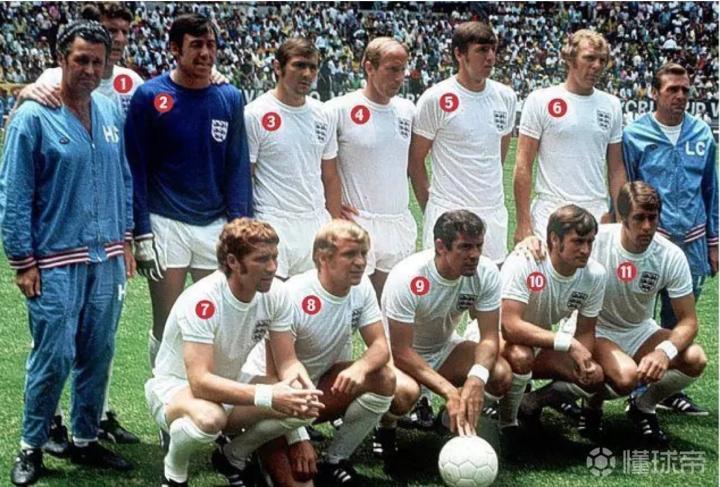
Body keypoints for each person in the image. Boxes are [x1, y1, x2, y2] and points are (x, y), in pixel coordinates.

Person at [0, 20, 135, 486]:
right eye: (81, 60)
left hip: (106, 255)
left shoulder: (109, 108)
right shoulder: (33, 117)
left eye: (98, 61)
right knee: (53, 355)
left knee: (98, 351)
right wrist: (22, 260)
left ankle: (84, 437)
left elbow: (123, 177)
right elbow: (14, 193)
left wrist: (126, 238)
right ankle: (31, 445)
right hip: (54, 258)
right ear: (61, 59)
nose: (90, 70)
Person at [145, 218, 323, 486]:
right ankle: (175, 472)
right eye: (261, 259)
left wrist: (301, 385)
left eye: (274, 257)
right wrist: (268, 395)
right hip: (177, 389)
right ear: (232, 261)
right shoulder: (203, 300)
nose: (272, 267)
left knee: (305, 405)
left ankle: (232, 456)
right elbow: (200, 382)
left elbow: (288, 361)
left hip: (231, 385)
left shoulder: (276, 293)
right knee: (210, 418)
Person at [124, 13, 252, 368]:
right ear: (175, 49)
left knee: (218, 320)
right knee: (167, 324)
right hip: (166, 222)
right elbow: (135, 167)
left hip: (215, 224)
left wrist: (240, 227)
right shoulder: (150, 96)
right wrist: (141, 231)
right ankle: (163, 395)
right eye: (196, 45)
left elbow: (237, 166)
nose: (206, 53)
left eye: (211, 45)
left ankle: (213, 396)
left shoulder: (229, 97)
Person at [243, 220, 395, 486]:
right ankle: (248, 446)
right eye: (350, 254)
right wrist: (298, 438)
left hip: (311, 394)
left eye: (363, 253)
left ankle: (336, 460)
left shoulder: (361, 287)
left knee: (383, 378)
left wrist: (359, 368)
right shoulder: (292, 294)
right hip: (270, 400)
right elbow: (275, 376)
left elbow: (381, 346)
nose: (361, 262)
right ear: (323, 258)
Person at [623, 63, 717, 415]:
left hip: (692, 240)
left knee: (679, 319)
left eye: (685, 90)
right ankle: (636, 383)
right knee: (639, 314)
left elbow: (711, 190)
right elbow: (625, 191)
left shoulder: (702, 133)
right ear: (654, 93)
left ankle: (664, 390)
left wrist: (714, 241)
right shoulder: (635, 135)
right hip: (649, 240)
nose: (680, 96)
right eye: (672, 90)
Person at [380, 210, 511, 461]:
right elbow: (401, 351)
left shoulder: (486, 273)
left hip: (444, 349)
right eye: (465, 247)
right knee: (405, 393)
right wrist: (450, 391)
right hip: (398, 359)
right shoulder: (408, 276)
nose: (474, 254)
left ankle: (447, 420)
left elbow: (489, 337)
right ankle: (385, 426)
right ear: (441, 247)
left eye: (478, 246)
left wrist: (476, 377)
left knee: (499, 374)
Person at [490, 205, 606, 440]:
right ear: (554, 239)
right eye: (578, 242)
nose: (585, 250)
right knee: (521, 356)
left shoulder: (595, 275)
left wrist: (583, 361)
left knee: (594, 375)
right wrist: (569, 344)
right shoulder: (525, 261)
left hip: (540, 342)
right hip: (496, 339)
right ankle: (508, 424)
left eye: (590, 242)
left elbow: (586, 331)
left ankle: (530, 403)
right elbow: (509, 326)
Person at [408, 21, 516, 264]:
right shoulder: (436, 98)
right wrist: (432, 209)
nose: (490, 57)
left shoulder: (505, 97)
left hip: (492, 213)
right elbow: (415, 162)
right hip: (449, 211)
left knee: (490, 282)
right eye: (481, 50)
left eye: (493, 49)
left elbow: (498, 155)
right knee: (444, 284)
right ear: (459, 54)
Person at [323, 37, 417, 300]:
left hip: (397, 223)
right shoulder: (338, 110)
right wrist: (332, 210)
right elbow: (319, 165)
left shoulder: (408, 111)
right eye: (392, 69)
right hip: (357, 222)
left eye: (403, 69)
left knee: (391, 306)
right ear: (369, 67)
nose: (399, 77)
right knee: (350, 307)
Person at [513, 29, 625, 243]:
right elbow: (523, 163)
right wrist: (523, 223)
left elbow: (616, 169)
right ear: (570, 59)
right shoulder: (541, 100)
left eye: (602, 60)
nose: (597, 66)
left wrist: (620, 221)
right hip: (550, 210)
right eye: (589, 58)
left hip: (596, 210)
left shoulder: (611, 105)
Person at [244, 38, 338, 281]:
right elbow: (245, 177)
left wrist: (335, 225)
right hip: (274, 220)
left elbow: (330, 176)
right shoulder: (255, 114)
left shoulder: (323, 114)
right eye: (299, 65)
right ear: (278, 67)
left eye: (312, 67)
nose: (307, 74)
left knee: (314, 301)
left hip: (315, 221)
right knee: (274, 301)